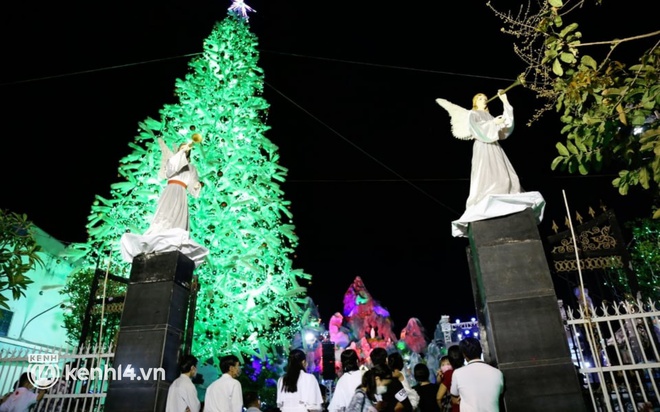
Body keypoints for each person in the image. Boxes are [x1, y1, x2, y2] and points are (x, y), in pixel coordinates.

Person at [119, 136, 209, 266]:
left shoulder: (192, 168)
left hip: (181, 194)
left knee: (178, 218)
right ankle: (159, 239)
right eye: (182, 146)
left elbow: (193, 184)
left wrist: (196, 186)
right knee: (165, 216)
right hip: (171, 191)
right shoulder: (173, 160)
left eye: (186, 148)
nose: (185, 148)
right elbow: (170, 170)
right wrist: (181, 153)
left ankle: (174, 243)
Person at [464, 92, 521, 209]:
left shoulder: (489, 116)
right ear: (475, 102)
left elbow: (506, 126)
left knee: (502, 171)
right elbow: (476, 128)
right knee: (485, 171)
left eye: (485, 98)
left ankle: (503, 194)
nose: (484, 100)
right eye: (480, 98)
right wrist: (494, 123)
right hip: (482, 145)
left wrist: (505, 102)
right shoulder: (472, 113)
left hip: (494, 146)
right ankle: (485, 198)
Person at [450, 338, 504, 412]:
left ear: (464, 355)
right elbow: (500, 393)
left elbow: (454, 398)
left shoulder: (457, 373)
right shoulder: (498, 373)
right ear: (481, 350)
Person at [435, 348, 462, 412]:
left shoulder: (449, 374)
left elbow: (438, 398)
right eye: (443, 365)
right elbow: (438, 381)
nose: (445, 366)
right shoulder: (443, 374)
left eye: (448, 364)